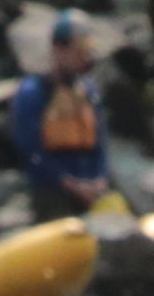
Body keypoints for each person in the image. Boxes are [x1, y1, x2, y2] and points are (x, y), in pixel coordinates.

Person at [10, 11, 120, 220]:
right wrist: (71, 185)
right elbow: (31, 152)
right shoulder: (33, 92)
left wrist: (99, 180)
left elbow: (100, 142)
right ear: (58, 49)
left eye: (85, 51)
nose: (83, 58)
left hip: (92, 189)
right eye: (77, 51)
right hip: (54, 193)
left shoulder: (88, 91)